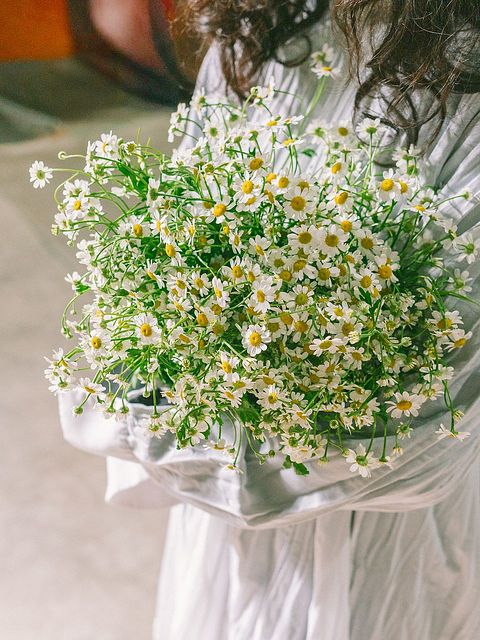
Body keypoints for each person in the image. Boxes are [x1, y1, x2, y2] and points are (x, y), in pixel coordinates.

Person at [59, 2, 480, 638]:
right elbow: (183, 219)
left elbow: (430, 437)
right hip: (226, 520)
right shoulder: (261, 25)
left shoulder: (464, 82)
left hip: (383, 541)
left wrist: (148, 427)